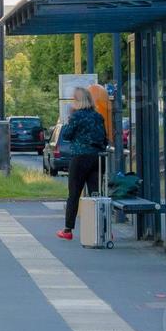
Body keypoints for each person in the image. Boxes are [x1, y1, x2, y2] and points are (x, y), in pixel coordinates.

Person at [57, 87, 109, 240]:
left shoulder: (76, 116)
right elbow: (104, 138)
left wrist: (69, 118)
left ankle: (67, 230)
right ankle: (103, 230)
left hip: (79, 158)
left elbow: (66, 135)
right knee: (96, 195)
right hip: (97, 158)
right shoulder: (98, 116)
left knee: (74, 194)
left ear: (77, 101)